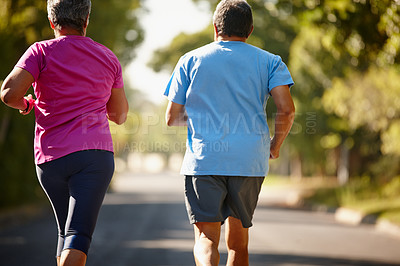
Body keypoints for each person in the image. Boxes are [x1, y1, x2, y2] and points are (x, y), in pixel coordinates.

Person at [164, 0, 295, 265]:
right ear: (250, 29)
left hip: (204, 161)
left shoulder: (190, 60)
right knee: (238, 244)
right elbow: (287, 110)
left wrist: (203, 120)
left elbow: (172, 117)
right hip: (249, 161)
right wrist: (275, 145)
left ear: (215, 27)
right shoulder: (271, 62)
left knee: (205, 240)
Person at [0, 0, 129, 265]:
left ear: (51, 22)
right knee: (78, 235)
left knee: (65, 233)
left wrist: (27, 104)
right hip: (93, 156)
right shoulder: (107, 57)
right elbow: (119, 115)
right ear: (87, 20)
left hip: (50, 159)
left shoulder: (39, 51)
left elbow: (9, 94)